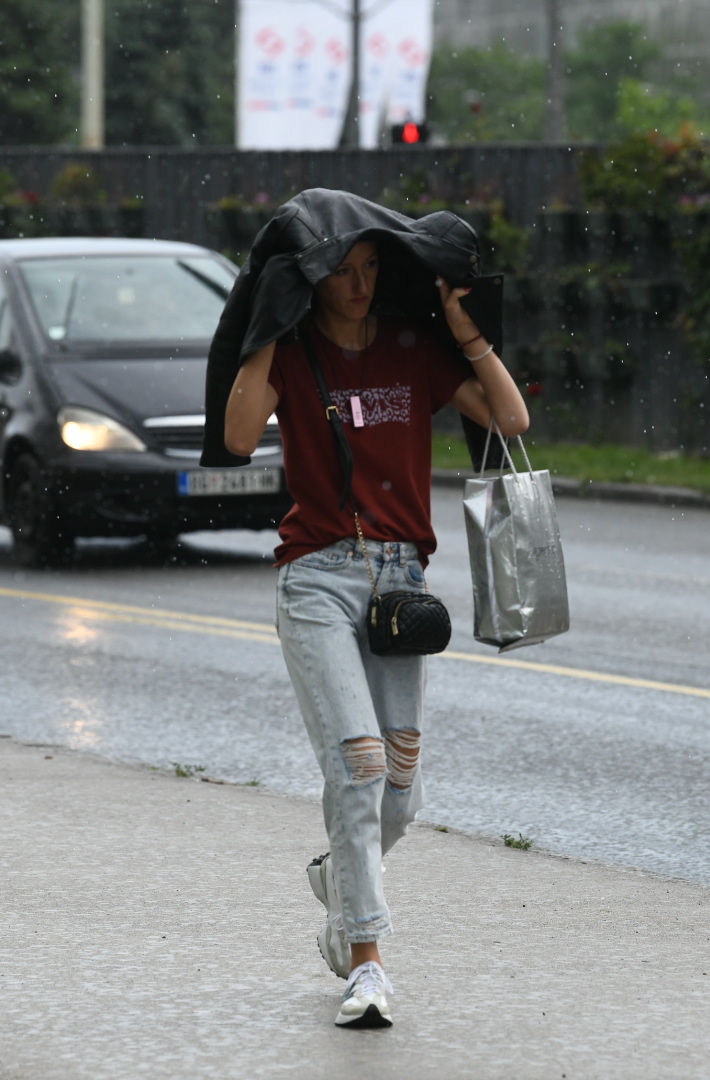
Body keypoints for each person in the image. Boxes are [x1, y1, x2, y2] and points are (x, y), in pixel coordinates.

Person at [224, 236, 529, 1028]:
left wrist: (465, 332)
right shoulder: (293, 352)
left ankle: (338, 876)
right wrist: (263, 329)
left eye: (369, 270)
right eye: (340, 272)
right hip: (317, 579)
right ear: (312, 280)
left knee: (400, 790)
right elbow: (235, 436)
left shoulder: (411, 350)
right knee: (359, 768)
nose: (357, 285)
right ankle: (366, 965)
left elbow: (511, 416)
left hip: (401, 583)